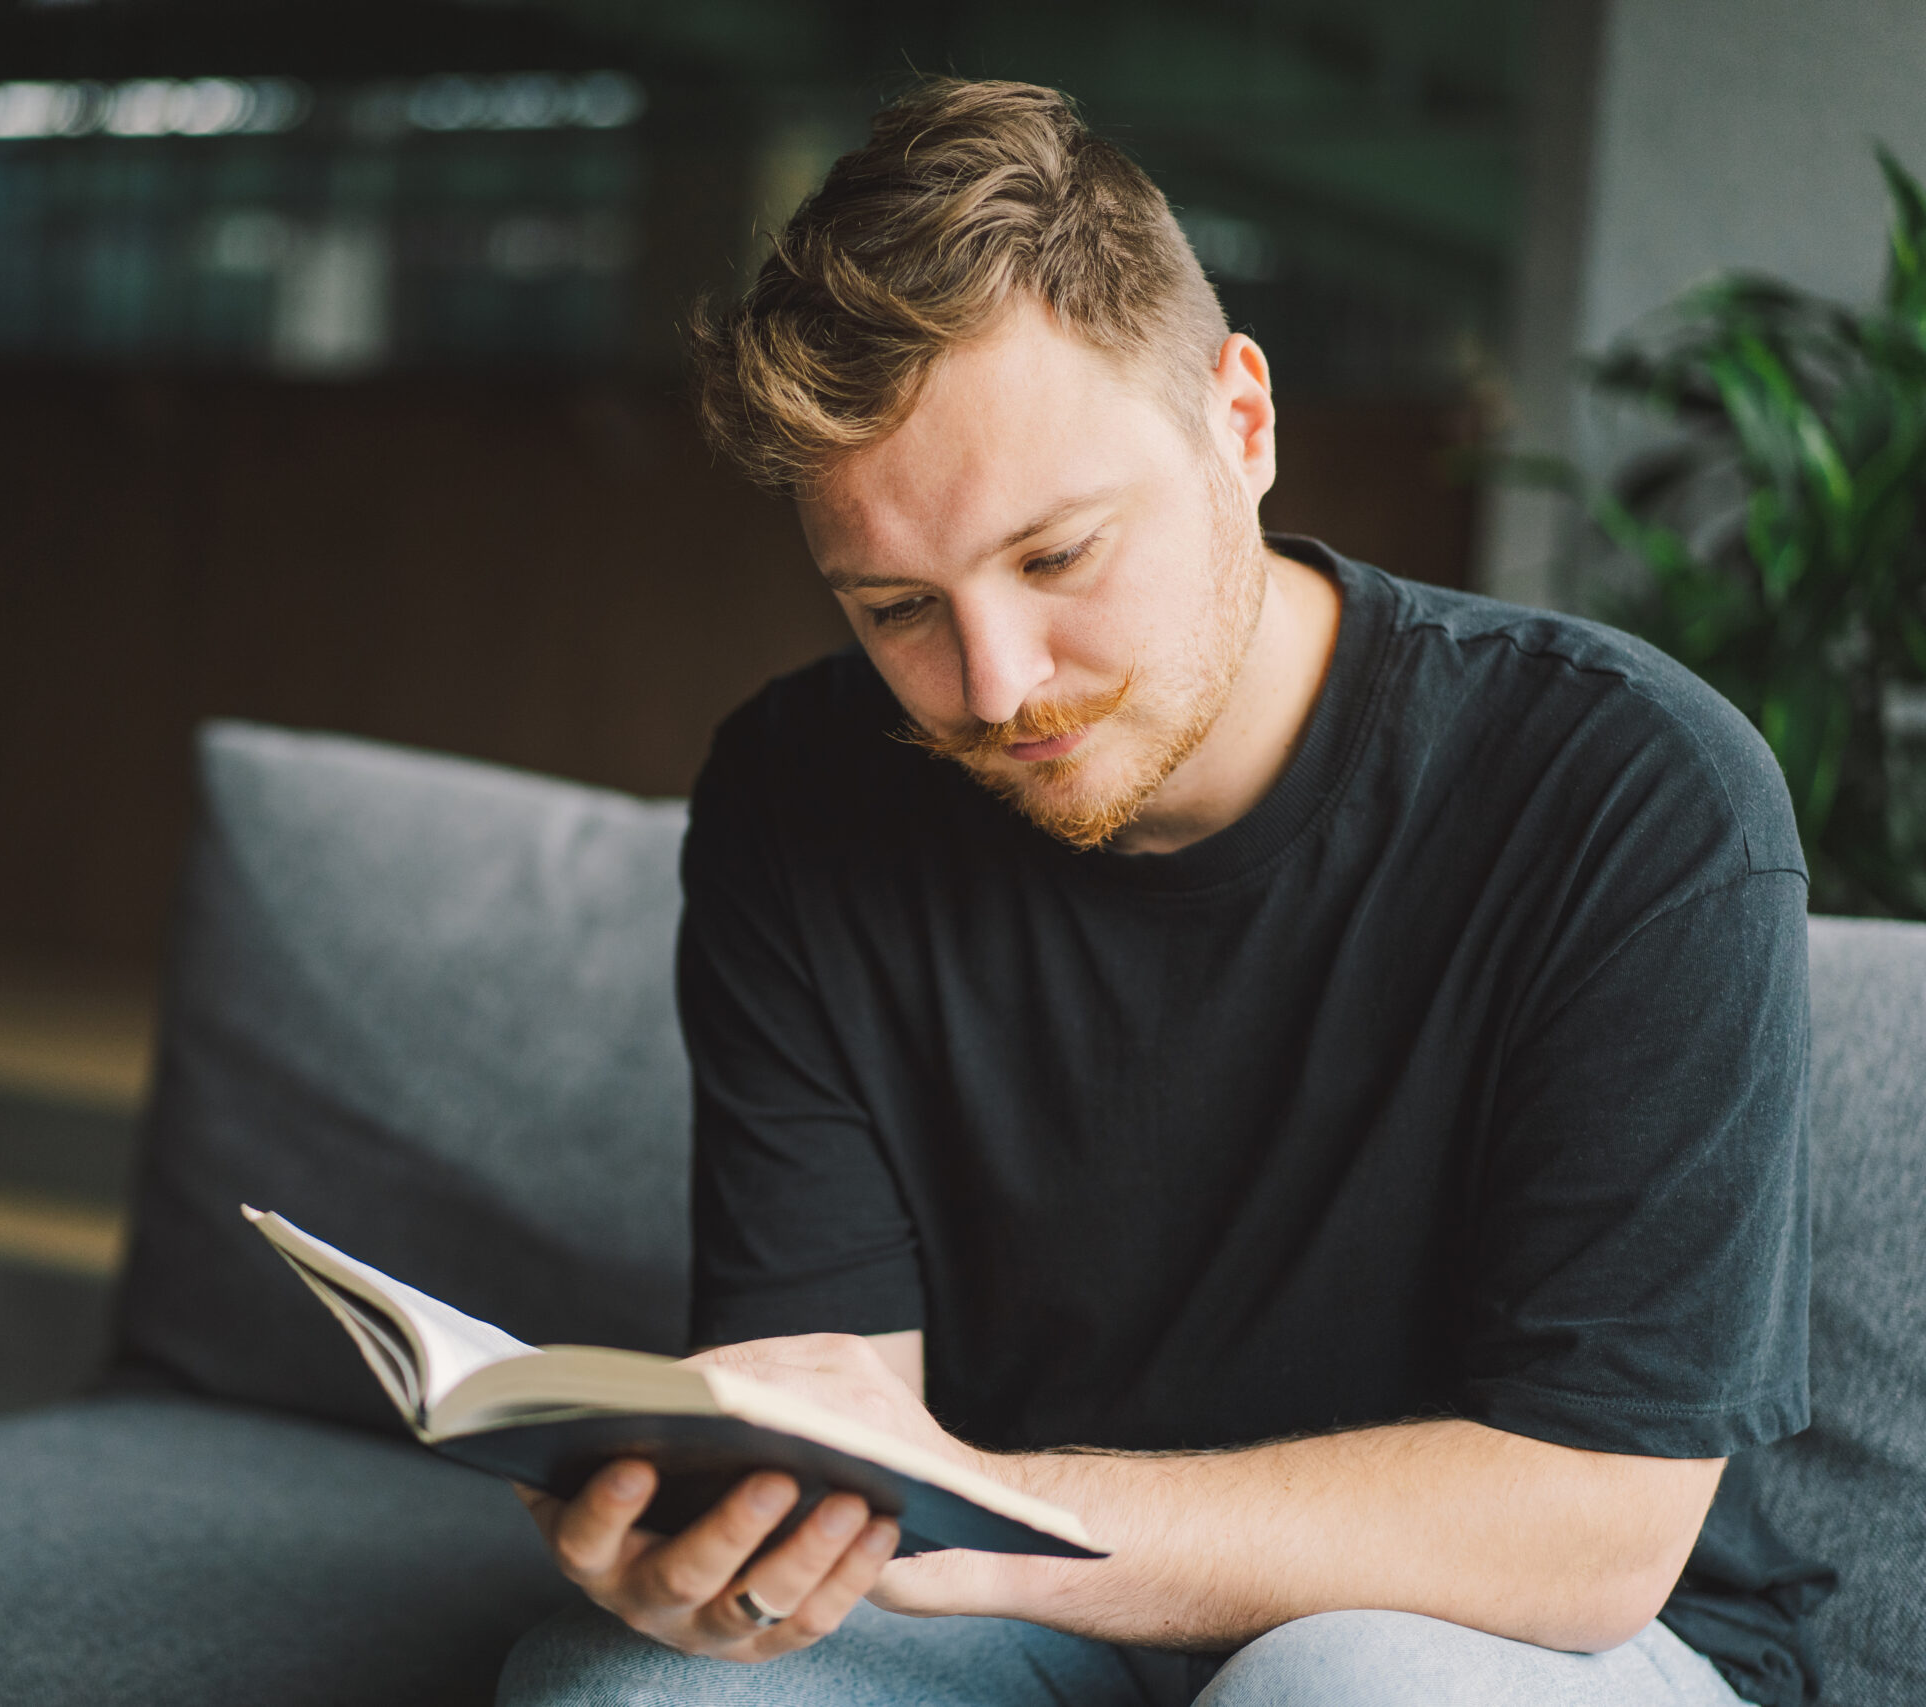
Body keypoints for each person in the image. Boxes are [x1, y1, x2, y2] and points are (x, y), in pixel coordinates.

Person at [493, 79, 1833, 1707]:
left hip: (1522, 1633)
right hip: (1019, 1604)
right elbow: (842, 1400)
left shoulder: (1631, 788)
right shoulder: (797, 797)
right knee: (637, 1693)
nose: (991, 688)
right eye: (897, 607)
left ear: (1242, 422)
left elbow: (1593, 1534)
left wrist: (994, 1518)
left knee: (1342, 1688)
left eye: (1057, 558)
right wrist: (749, 1552)